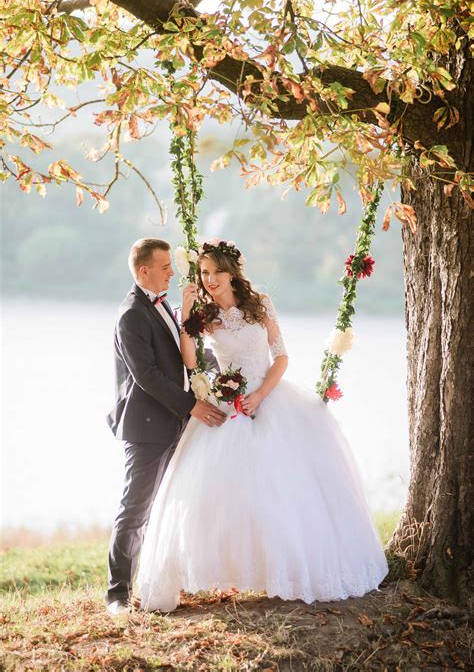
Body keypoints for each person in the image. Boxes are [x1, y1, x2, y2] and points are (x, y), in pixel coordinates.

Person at [137, 239, 389, 612]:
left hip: (268, 397)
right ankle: (231, 570)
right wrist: (188, 312)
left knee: (282, 489)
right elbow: (191, 362)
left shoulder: (260, 304)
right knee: (220, 491)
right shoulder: (204, 315)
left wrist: (260, 396)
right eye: (204, 273)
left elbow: (281, 356)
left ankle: (286, 571)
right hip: (227, 403)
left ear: (231, 272)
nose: (209, 280)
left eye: (215, 272)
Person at [105, 238, 226, 615]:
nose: (172, 272)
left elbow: (180, 356)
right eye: (165, 267)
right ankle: (117, 593)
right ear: (144, 271)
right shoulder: (131, 315)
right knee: (135, 509)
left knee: (172, 503)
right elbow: (148, 377)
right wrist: (194, 406)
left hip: (173, 422)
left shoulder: (163, 308)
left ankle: (167, 579)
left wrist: (225, 369)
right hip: (146, 427)